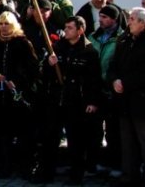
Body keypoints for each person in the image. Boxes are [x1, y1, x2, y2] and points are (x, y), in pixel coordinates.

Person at [33, 16, 101, 185]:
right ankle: (46, 172)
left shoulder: (89, 52)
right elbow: (45, 75)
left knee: (76, 140)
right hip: (56, 100)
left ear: (80, 30)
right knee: (50, 138)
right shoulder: (57, 47)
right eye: (66, 27)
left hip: (77, 101)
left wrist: (92, 102)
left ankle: (76, 175)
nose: (67, 30)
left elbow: (94, 80)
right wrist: (49, 64)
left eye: (70, 28)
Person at [108, 7, 145, 187]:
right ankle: (129, 177)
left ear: (143, 23)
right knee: (128, 144)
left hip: (143, 102)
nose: (129, 22)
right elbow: (113, 65)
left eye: (132, 19)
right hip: (125, 102)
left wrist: (125, 83)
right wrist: (114, 80)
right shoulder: (124, 40)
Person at [0, 11, 40, 179]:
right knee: (3, 134)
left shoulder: (23, 43)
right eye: (0, 24)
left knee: (24, 134)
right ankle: (5, 166)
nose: (3, 27)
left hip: (18, 97)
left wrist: (17, 81)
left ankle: (26, 166)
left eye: (6, 24)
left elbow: (33, 69)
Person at [87, 4, 124, 174]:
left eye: (105, 17)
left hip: (112, 90)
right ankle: (96, 163)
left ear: (114, 19)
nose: (100, 20)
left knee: (113, 131)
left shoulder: (121, 38)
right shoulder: (93, 37)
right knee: (94, 130)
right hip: (94, 88)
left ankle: (115, 163)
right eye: (100, 16)